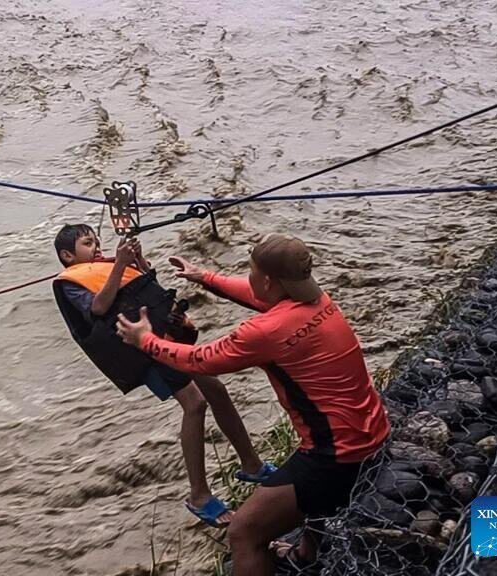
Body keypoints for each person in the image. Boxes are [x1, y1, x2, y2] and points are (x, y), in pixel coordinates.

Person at [115, 234, 390, 575]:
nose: (249, 278)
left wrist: (146, 341)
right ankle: (307, 554)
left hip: (336, 457)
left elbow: (200, 360)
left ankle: (295, 550)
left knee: (244, 532)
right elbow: (257, 296)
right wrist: (205, 277)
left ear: (269, 281)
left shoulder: (265, 331)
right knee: (304, 482)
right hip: (375, 434)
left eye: (252, 271)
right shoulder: (318, 301)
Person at [52, 223, 275, 528]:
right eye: (88, 244)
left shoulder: (105, 267)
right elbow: (99, 306)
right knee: (194, 404)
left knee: (216, 390)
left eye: (97, 242)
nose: (97, 248)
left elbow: (147, 285)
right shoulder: (71, 282)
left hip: (164, 337)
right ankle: (199, 495)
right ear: (67, 256)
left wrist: (138, 262)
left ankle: (252, 464)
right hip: (140, 348)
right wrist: (118, 265)